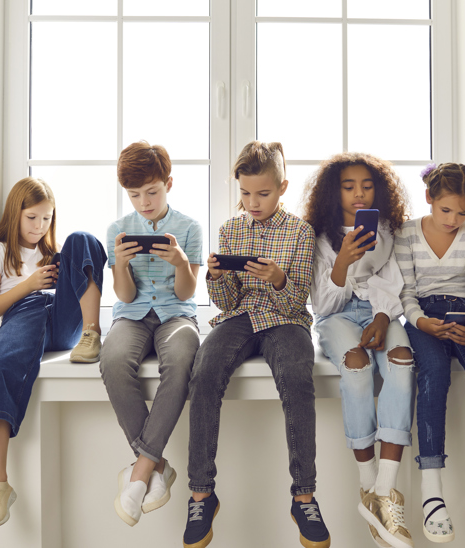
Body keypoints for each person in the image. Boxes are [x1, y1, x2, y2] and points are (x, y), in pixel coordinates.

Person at [183, 141, 330, 548]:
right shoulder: (230, 229)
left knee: (298, 379)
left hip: (285, 320)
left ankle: (304, 496)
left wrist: (278, 278)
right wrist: (216, 276)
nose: (252, 202)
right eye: (245, 193)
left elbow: (296, 300)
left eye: (262, 193)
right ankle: (201, 493)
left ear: (282, 187)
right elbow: (228, 302)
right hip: (240, 316)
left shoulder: (301, 232)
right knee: (205, 372)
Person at [0, 177, 107, 530]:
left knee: (83, 240)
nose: (39, 226)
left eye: (46, 219)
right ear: (15, 213)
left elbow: (74, 281)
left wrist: (56, 276)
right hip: (25, 310)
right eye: (32, 218)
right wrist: (28, 285)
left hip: (63, 321)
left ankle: (93, 334)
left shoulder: (55, 252)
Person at [303, 152, 415, 548]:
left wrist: (383, 318)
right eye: (349, 187)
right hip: (338, 317)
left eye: (367, 185)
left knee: (402, 361)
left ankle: (385, 490)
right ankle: (367, 484)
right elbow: (324, 305)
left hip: (382, 313)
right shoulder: (318, 236)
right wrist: (344, 264)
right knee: (356, 365)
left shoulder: (386, 229)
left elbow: (393, 280)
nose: (358, 193)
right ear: (335, 192)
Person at [394, 163, 465, 545]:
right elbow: (406, 291)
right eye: (446, 210)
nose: (454, 220)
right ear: (429, 198)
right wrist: (420, 321)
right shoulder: (407, 233)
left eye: (463, 212)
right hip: (423, 318)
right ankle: (432, 492)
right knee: (434, 379)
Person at [100, 141, 203, 527]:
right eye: (134, 195)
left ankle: (141, 471)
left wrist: (180, 263)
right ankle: (157, 464)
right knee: (112, 361)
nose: (144, 202)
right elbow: (123, 295)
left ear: (169, 184)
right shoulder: (118, 230)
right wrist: (121, 266)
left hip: (177, 315)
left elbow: (186, 293)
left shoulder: (190, 228)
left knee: (180, 363)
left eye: (152, 192)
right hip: (132, 314)